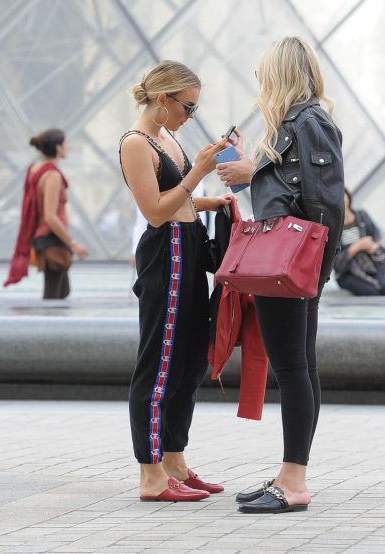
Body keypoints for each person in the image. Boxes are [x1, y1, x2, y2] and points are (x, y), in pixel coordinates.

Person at [217, 37, 344, 513]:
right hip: (292, 265)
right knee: (300, 368)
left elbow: (323, 203)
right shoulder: (300, 122)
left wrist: (313, 268)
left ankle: (293, 482)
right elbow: (293, 188)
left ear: (280, 74)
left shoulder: (307, 122)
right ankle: (290, 473)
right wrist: (253, 169)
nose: (259, 82)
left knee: (292, 370)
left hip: (287, 264)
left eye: (263, 73)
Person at [119, 60, 231, 502]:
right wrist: (197, 172)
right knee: (160, 362)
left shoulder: (167, 136)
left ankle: (175, 461)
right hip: (165, 255)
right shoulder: (135, 142)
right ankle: (151, 475)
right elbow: (155, 211)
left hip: (188, 246)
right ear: (162, 100)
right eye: (188, 106)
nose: (191, 115)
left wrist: (212, 198)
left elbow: (180, 201)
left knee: (189, 361)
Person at [4, 129, 88, 298]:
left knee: (61, 292)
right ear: (57, 147)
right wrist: (73, 244)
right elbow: (50, 216)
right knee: (54, 297)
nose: (68, 146)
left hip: (46, 237)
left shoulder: (35, 169)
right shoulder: (52, 176)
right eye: (65, 143)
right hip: (52, 238)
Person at [334, 189, 385, 296]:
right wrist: (356, 247)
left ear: (348, 196)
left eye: (343, 195)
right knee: (370, 292)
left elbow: (376, 236)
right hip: (347, 272)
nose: (341, 199)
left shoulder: (361, 215)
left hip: (369, 265)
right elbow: (335, 261)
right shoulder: (333, 224)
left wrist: (373, 246)